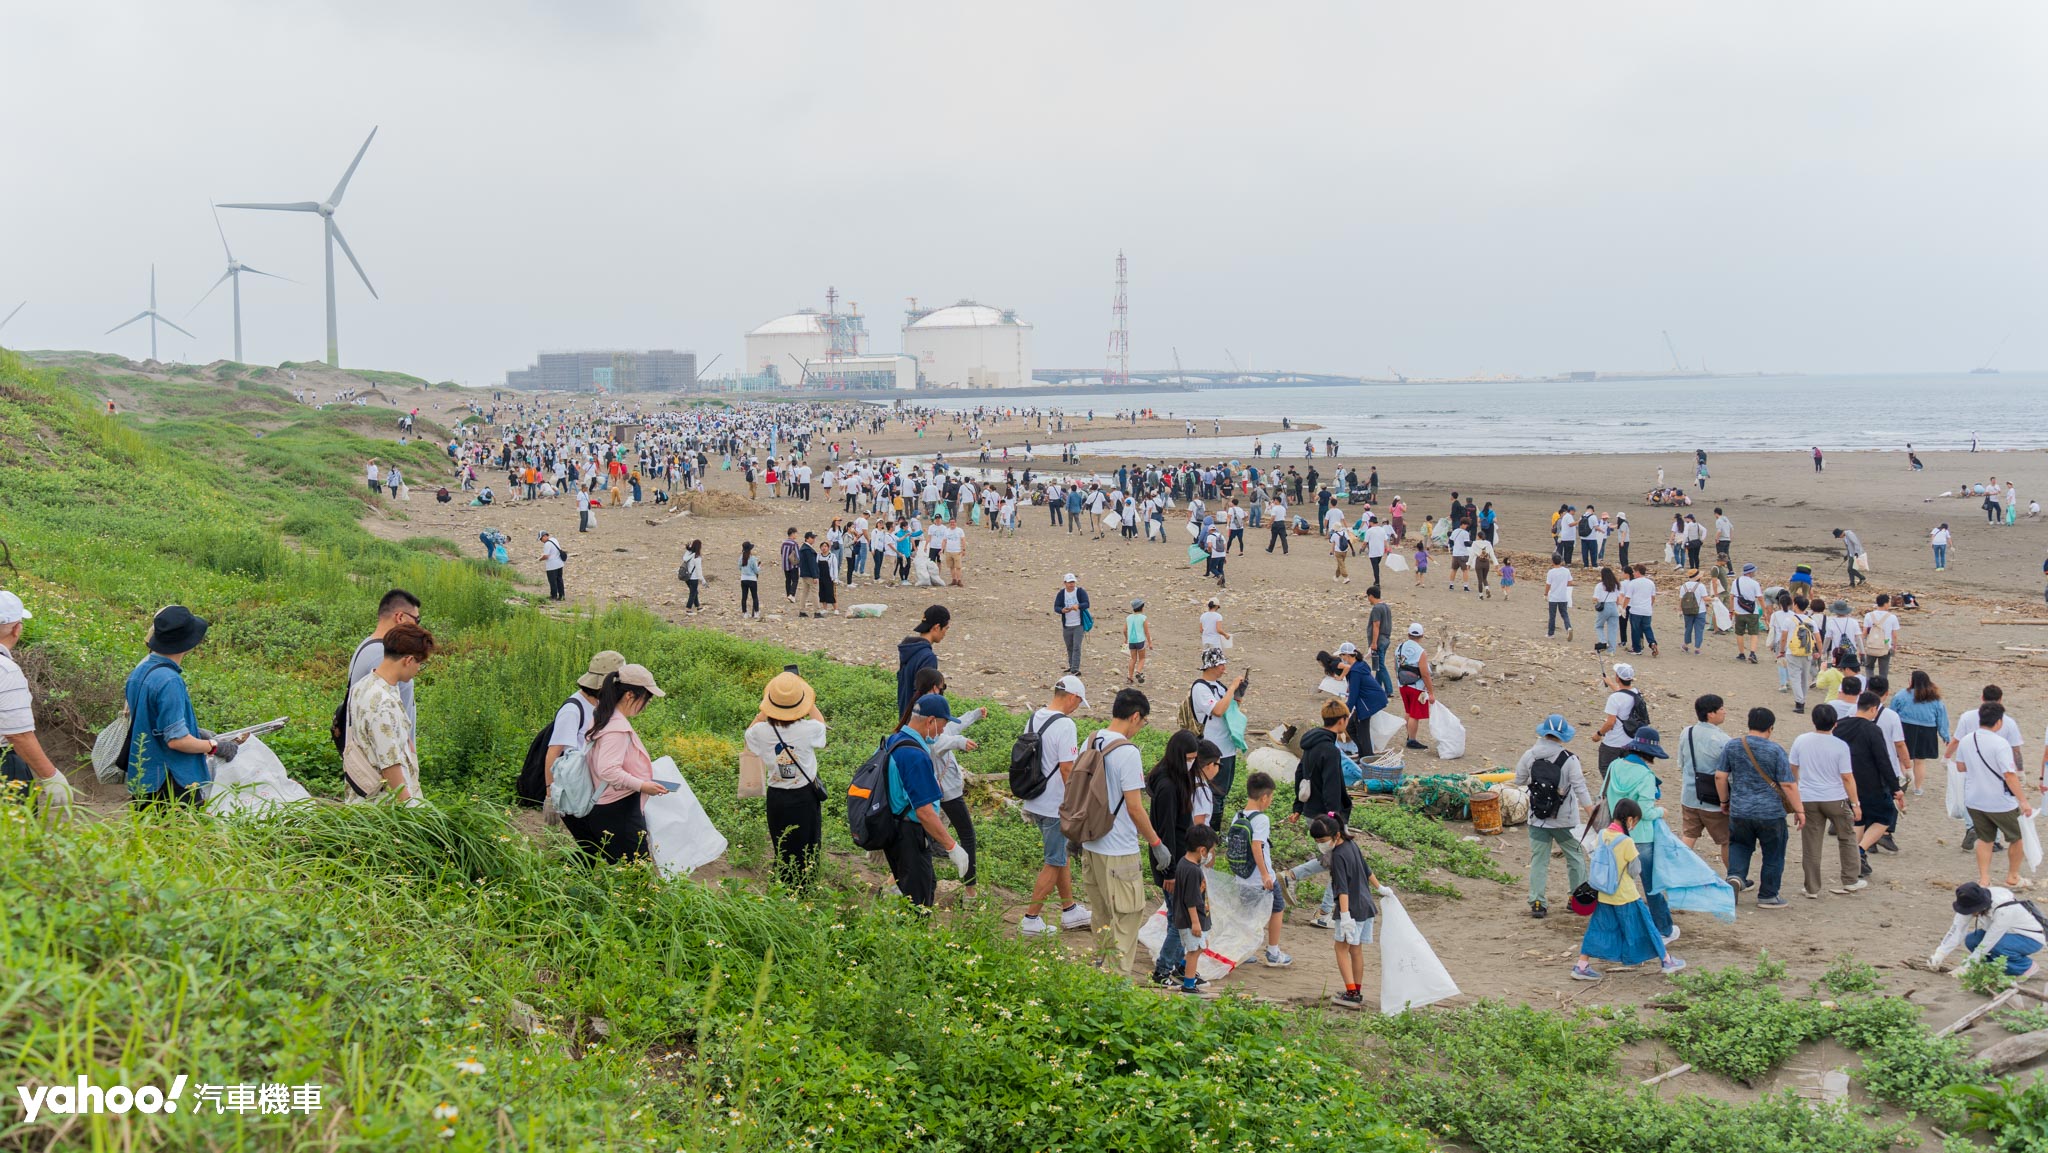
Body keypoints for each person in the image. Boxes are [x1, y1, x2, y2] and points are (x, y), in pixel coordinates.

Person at [1078, 688, 1168, 974]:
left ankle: (1099, 969)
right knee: (1127, 916)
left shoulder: (1090, 740)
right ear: (1135, 716)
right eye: (1143, 723)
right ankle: (1117, 982)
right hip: (1119, 849)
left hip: (1091, 844)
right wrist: (1155, 842)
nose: (1140, 729)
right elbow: (1134, 807)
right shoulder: (1127, 752)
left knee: (1101, 912)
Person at [123, 606, 234, 808]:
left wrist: (195, 731)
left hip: (144, 778)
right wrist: (215, 746)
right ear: (188, 644)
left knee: (148, 838)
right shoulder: (169, 681)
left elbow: (149, 721)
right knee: (181, 838)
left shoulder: (139, 673)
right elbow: (177, 741)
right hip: (172, 783)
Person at [1573, 799, 1687, 981]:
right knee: (1647, 926)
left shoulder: (1602, 834)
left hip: (1604, 893)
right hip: (1626, 895)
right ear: (1630, 819)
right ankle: (1666, 961)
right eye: (1635, 822)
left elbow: (1595, 854)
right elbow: (1635, 870)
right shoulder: (1626, 842)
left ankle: (1581, 965)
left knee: (1597, 929)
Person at [566, 664, 670, 863]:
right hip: (617, 808)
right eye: (646, 699)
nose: (646, 705)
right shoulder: (616, 728)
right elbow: (608, 770)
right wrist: (643, 785)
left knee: (594, 858)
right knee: (635, 870)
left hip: (605, 804)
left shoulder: (603, 716)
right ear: (630, 695)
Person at [877, 693, 972, 908]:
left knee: (925, 883)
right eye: (942, 724)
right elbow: (925, 812)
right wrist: (952, 846)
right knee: (918, 901)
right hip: (908, 834)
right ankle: (910, 938)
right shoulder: (915, 756)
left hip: (893, 826)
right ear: (930, 721)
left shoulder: (894, 739)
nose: (941, 731)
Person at [1018, 677, 1091, 936]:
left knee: (1061, 857)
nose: (1077, 707)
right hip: (1054, 806)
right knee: (1053, 861)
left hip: (1034, 799)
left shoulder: (1035, 717)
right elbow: (1067, 767)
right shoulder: (1066, 725)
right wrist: (1076, 803)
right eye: (1079, 702)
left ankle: (1069, 910)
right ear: (1071, 696)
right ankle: (1031, 919)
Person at [1715, 706, 1804, 909]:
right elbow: (1788, 784)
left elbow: (1720, 776)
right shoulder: (1775, 750)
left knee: (1739, 845)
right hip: (1770, 812)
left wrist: (1724, 801)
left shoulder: (1733, 746)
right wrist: (1799, 810)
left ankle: (1736, 877)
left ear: (1749, 724)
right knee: (1773, 852)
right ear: (1770, 728)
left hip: (1740, 809)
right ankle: (1768, 895)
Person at [746, 671, 829, 889]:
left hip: (776, 796)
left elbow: (750, 731)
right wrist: (807, 698)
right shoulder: (809, 729)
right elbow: (820, 722)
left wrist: (766, 709)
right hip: (804, 796)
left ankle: (783, 885)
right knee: (808, 845)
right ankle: (803, 888)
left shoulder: (761, 732)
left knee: (781, 843)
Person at [343, 622, 436, 804]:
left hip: (361, 794)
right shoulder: (383, 704)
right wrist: (410, 812)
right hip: (385, 809)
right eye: (420, 664)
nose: (418, 670)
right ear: (408, 660)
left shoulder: (363, 685)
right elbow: (390, 767)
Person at [1512, 714, 1594, 919]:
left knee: (1539, 860)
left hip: (1538, 819)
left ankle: (1537, 901)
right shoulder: (1569, 759)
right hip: (1564, 819)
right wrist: (1591, 813)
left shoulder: (1530, 755)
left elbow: (1519, 780)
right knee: (1575, 857)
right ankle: (1575, 899)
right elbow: (1580, 788)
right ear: (1562, 736)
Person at [1603, 726, 1676, 941]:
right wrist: (1662, 811)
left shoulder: (1614, 766)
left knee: (1617, 883)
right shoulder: (1645, 775)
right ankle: (1663, 929)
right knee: (1651, 885)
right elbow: (1644, 812)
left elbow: (1603, 794)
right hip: (1641, 837)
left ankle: (1617, 926)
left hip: (1615, 833)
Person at [1954, 700, 2034, 891]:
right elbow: (2009, 775)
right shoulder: (2001, 744)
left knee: (1985, 839)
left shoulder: (1967, 739)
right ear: (1999, 722)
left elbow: (1960, 766)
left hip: (1974, 798)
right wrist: (2023, 800)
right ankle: (2012, 876)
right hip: (1999, 801)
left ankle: (1984, 878)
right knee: (2016, 838)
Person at [0, 591, 69, 807]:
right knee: (15, 834)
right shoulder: (6, 671)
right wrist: (50, 776)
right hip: (4, 766)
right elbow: (18, 734)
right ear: (16, 628)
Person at [1790, 704, 1865, 898]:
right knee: (1847, 837)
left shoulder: (1801, 740)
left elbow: (1793, 770)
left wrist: (1796, 799)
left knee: (1811, 843)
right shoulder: (1840, 746)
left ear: (1813, 720)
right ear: (1835, 723)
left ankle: (1811, 888)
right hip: (1835, 798)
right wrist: (1855, 803)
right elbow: (1847, 777)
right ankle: (1850, 880)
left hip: (1808, 798)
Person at [1314, 815, 1386, 1009]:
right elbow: (1367, 869)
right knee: (1356, 950)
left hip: (1351, 909)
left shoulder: (1337, 856)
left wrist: (1345, 917)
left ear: (1336, 835)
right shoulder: (1352, 845)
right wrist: (1381, 888)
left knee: (1341, 949)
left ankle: (1352, 994)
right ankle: (1356, 991)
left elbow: (1342, 889)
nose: (1321, 845)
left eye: (1322, 841)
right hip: (1365, 905)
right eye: (1317, 842)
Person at [1230, 771, 1293, 968]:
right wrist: (1266, 875)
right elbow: (1257, 846)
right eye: (1271, 797)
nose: (1271, 801)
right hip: (1260, 878)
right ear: (1264, 797)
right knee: (1278, 909)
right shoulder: (1261, 820)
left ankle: (1243, 951)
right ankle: (1273, 952)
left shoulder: (1237, 816)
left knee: (1246, 913)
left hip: (1242, 876)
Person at [1930, 882, 2046, 980]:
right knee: (1972, 940)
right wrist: (1939, 954)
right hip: (2005, 935)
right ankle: (1993, 967)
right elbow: (1957, 929)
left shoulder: (2005, 908)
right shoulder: (1970, 899)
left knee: (1998, 946)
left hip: (2029, 937)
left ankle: (2025, 967)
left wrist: (1968, 965)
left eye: (1973, 910)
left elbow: (1990, 940)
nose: (1971, 913)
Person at [1677, 695, 1732, 870]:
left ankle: (1678, 873)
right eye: (1721, 708)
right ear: (1711, 714)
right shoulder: (1724, 740)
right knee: (1727, 840)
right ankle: (1734, 876)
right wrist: (1726, 800)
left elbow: (1681, 763)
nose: (1724, 711)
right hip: (1715, 801)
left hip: (1689, 796)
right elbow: (1726, 775)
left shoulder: (1687, 732)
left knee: (1689, 836)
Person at [1165, 825, 1220, 996]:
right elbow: (1190, 900)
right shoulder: (1192, 870)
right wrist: (1195, 922)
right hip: (1192, 919)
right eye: (1211, 851)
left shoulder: (1184, 863)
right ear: (1202, 850)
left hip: (1197, 917)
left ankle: (1181, 970)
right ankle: (1188, 985)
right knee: (1194, 951)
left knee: (1201, 947)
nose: (1211, 854)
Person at [1190, 649, 1247, 811]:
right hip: (1213, 748)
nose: (1224, 668)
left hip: (1228, 747)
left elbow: (1230, 709)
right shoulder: (1200, 688)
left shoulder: (1219, 687)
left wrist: (1237, 694)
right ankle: (1209, 829)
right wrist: (1232, 687)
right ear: (1211, 666)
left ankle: (1214, 829)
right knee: (1213, 792)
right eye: (1221, 664)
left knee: (1223, 791)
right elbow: (1218, 711)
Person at [1891, 670, 1948, 797]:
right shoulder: (1935, 698)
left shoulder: (1901, 695)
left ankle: (1902, 782)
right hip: (1927, 731)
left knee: (1901, 758)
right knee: (1920, 761)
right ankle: (1918, 788)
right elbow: (1941, 718)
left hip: (1906, 728)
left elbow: (1892, 712)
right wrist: (1945, 735)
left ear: (1912, 681)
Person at [895, 605, 948, 715]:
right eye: (946, 628)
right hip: (917, 723)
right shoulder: (928, 657)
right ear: (937, 627)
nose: (945, 633)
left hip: (904, 719)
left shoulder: (909, 650)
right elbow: (924, 696)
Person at [1594, 664, 1646, 776]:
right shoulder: (1636, 692)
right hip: (1630, 740)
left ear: (1617, 678)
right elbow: (1624, 693)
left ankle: (1610, 793)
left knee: (1606, 770)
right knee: (1626, 773)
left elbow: (1610, 722)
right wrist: (1611, 684)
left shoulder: (1614, 698)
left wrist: (1598, 734)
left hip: (1613, 742)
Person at [1394, 623, 1432, 751]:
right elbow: (1425, 673)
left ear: (1408, 634)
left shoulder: (1399, 647)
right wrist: (1431, 692)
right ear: (1421, 635)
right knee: (1414, 714)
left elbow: (1396, 666)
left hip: (1402, 684)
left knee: (1408, 712)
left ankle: (1409, 735)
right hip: (1416, 686)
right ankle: (1412, 739)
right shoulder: (1420, 652)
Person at [1054, 573, 1090, 676]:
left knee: (1077, 646)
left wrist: (1078, 606)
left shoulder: (1080, 592)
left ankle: (1075, 668)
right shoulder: (1061, 594)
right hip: (1067, 625)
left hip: (1079, 624)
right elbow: (1056, 607)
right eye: (1069, 582)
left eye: (1073, 582)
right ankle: (1071, 665)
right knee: (1069, 646)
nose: (1071, 584)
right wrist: (1062, 610)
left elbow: (1087, 603)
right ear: (1065, 583)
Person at [1620, 564, 1659, 656]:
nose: (1633, 573)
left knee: (1636, 629)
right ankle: (1652, 642)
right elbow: (1653, 597)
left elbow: (1628, 597)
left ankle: (1637, 649)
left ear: (1637, 572)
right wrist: (1650, 606)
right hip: (1647, 610)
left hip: (1636, 610)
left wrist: (1623, 608)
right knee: (1647, 627)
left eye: (1634, 572)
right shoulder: (1650, 583)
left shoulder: (1633, 583)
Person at [1731, 563, 1764, 664]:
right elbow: (1760, 598)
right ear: (1750, 572)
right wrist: (1765, 611)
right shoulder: (1754, 583)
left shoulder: (1735, 581)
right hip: (1751, 611)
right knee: (1754, 633)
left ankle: (1741, 654)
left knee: (1739, 633)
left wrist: (1731, 610)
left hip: (1738, 611)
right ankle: (1752, 653)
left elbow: (1731, 596)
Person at [1862, 594, 1901, 681]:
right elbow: (1894, 635)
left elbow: (1864, 633)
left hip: (1871, 645)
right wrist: (1894, 647)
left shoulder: (1869, 615)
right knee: (1883, 671)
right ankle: (1882, 689)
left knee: (1869, 668)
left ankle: (1869, 686)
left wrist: (1861, 646)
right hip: (1885, 646)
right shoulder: (1892, 617)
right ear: (1885, 603)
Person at [1366, 586, 1394, 694]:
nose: (1368, 599)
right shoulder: (1386, 607)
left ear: (1371, 596)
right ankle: (1377, 687)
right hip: (1386, 638)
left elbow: (1376, 625)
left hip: (1379, 640)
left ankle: (1389, 690)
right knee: (1377, 665)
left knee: (1380, 665)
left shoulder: (1376, 608)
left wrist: (1373, 643)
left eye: (1368, 597)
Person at [1591, 566, 1623, 653]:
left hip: (1604, 606)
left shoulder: (1600, 586)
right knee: (1613, 629)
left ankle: (1603, 641)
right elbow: (1618, 599)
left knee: (1599, 625)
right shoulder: (1616, 585)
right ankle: (1611, 650)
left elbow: (1595, 598)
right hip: (1613, 606)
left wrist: (1596, 602)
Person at [1545, 559, 1574, 640]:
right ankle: (1568, 627)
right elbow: (1571, 582)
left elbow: (1548, 584)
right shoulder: (1566, 571)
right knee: (1564, 614)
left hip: (1553, 597)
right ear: (1561, 562)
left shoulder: (1551, 572)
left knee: (1552, 616)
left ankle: (1551, 633)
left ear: (1553, 562)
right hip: (1563, 596)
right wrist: (1564, 584)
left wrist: (1545, 593)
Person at [1125, 598, 1152, 686]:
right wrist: (1150, 643)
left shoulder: (1128, 617)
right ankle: (1138, 671)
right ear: (1142, 608)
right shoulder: (1143, 618)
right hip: (1140, 641)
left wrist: (1126, 639)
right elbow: (1146, 632)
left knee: (1133, 659)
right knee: (1142, 658)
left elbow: (1124, 630)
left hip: (1131, 641)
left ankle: (1130, 677)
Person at [679, 539, 704, 615]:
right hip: (694, 578)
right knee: (693, 593)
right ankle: (688, 609)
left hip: (687, 577)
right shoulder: (697, 557)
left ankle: (698, 606)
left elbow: (685, 557)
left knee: (694, 592)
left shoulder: (688, 553)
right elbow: (699, 570)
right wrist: (703, 580)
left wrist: (690, 547)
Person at [737, 541, 761, 619]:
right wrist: (759, 567)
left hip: (743, 579)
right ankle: (756, 613)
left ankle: (745, 613)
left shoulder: (741, 558)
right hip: (752, 579)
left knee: (744, 597)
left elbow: (739, 567)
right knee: (754, 596)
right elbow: (756, 571)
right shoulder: (752, 559)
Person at [540, 531, 566, 601]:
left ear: (544, 536)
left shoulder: (547, 544)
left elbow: (546, 556)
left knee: (552, 581)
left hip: (552, 566)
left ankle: (553, 596)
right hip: (559, 563)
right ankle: (562, 595)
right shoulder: (554, 540)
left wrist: (540, 559)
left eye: (541, 538)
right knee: (559, 580)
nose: (541, 541)